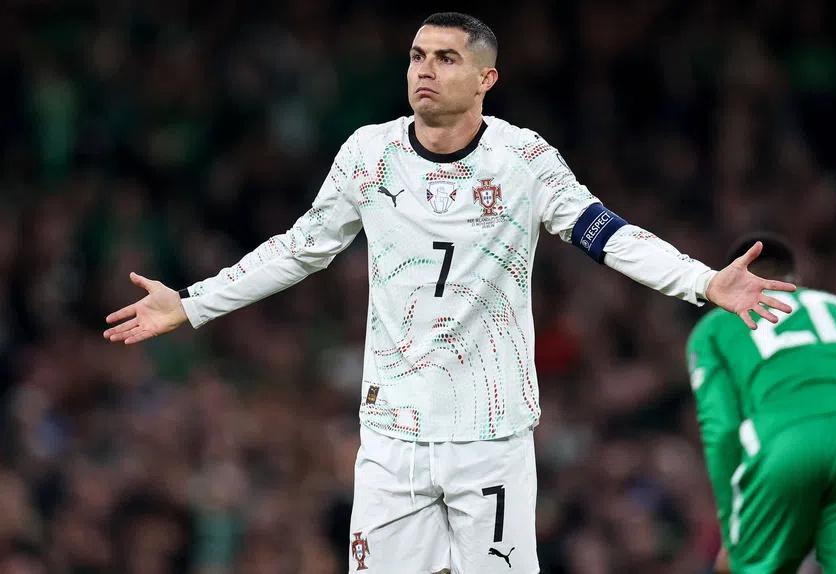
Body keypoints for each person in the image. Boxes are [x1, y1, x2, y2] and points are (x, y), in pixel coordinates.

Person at [104, 13, 795, 573]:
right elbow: (298, 248)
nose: (424, 70)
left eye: (445, 58)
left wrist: (704, 281)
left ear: (486, 78)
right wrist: (191, 303)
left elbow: (607, 234)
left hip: (490, 437)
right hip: (393, 436)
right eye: (416, 57)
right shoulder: (369, 154)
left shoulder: (524, 160)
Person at [686, 233, 836, 574]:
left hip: (784, 443)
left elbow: (720, 430)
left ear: (731, 282)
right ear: (795, 279)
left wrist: (733, 530)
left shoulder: (716, 326)